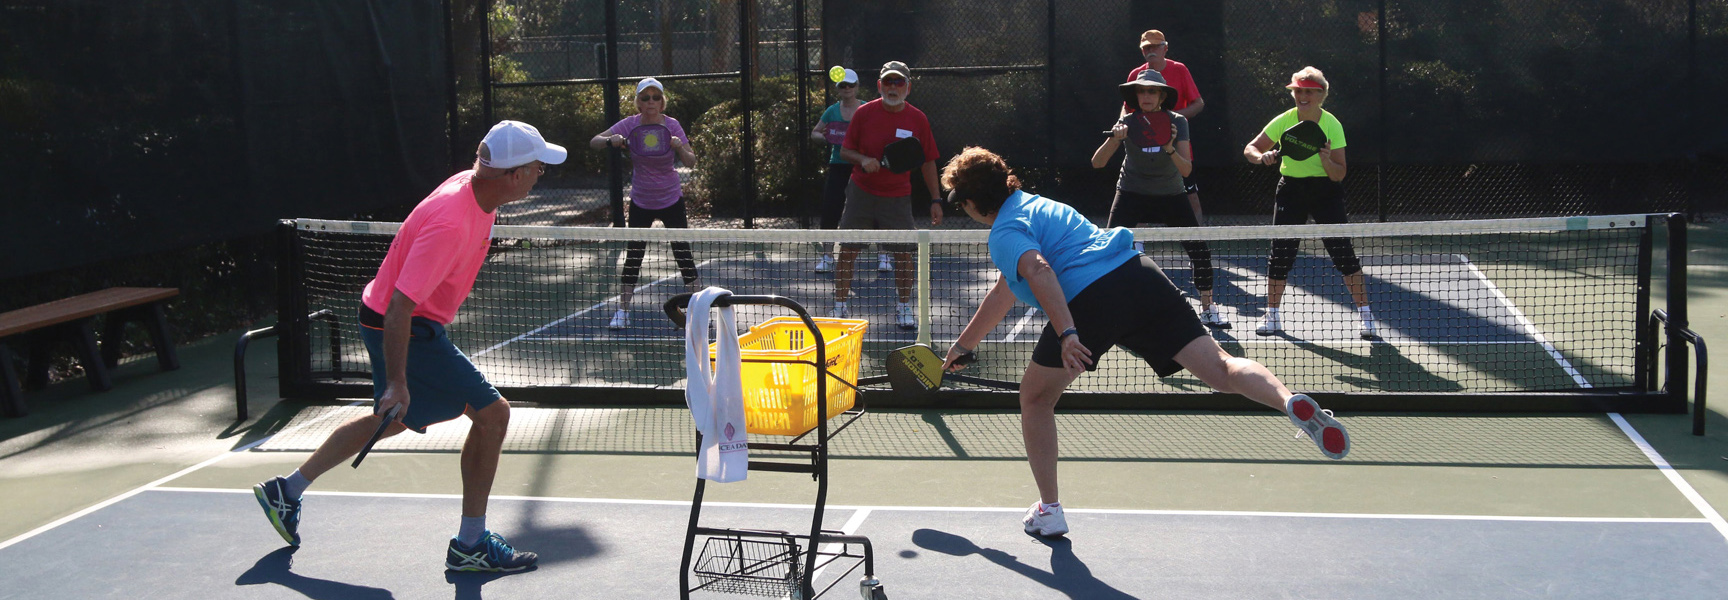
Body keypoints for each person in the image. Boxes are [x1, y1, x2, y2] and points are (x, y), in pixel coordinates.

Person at [938, 146, 1350, 538]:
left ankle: (1049, 511)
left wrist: (1068, 333)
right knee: (1222, 368)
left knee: (1035, 399)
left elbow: (1039, 270)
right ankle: (1289, 401)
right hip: (1139, 274)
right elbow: (1005, 290)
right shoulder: (1038, 205)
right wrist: (962, 346)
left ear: (973, 202)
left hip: (1090, 300)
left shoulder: (1004, 231)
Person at [252, 120, 564, 571]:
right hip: (402, 326)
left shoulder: (476, 187)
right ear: (513, 175)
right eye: (538, 167)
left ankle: (287, 491)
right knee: (493, 415)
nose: (540, 173)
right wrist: (398, 380)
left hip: (397, 321)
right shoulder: (451, 222)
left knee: (393, 421)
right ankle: (470, 544)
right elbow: (401, 308)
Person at [1241, 67, 1376, 339]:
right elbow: (1250, 148)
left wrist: (1326, 160)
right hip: (1291, 189)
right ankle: (1272, 316)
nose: (1303, 96)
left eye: (1309, 92)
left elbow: (1339, 173)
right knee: (1280, 254)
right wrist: (1261, 156)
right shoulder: (1284, 121)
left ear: (1321, 95)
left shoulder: (1332, 125)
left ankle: (1367, 317)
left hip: (1326, 190)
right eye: (1299, 91)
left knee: (1343, 254)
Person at [1093, 69, 1227, 328]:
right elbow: (1097, 163)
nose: (1146, 96)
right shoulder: (1127, 122)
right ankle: (1109, 307)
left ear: (1162, 95)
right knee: (1110, 251)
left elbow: (1186, 169)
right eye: (1141, 91)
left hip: (1171, 194)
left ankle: (1209, 308)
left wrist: (1168, 148)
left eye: (1152, 91)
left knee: (1200, 251)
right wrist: (1115, 139)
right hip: (1131, 192)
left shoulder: (1178, 122)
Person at [833, 60, 944, 330]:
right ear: (880, 85)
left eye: (899, 82)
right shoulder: (863, 113)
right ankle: (839, 306)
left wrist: (936, 199)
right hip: (861, 193)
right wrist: (863, 159)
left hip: (897, 198)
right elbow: (845, 151)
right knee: (847, 251)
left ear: (908, 87)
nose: (893, 87)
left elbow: (928, 161)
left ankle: (904, 307)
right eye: (888, 82)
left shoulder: (917, 118)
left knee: (904, 255)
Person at [592, 77, 701, 329]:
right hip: (641, 200)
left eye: (655, 97)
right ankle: (622, 312)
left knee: (683, 254)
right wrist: (612, 140)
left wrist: (679, 149)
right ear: (638, 102)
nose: (650, 102)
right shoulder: (629, 124)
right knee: (634, 256)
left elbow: (691, 161)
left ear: (662, 102)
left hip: (671, 198)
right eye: (645, 97)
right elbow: (594, 141)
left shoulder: (672, 125)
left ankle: (697, 313)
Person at [808, 68, 891, 275]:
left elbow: (881, 132)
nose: (846, 89)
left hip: (863, 167)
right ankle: (827, 257)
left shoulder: (867, 108)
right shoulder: (832, 111)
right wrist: (825, 138)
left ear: (857, 87)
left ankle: (884, 255)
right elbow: (815, 132)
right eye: (842, 86)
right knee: (831, 210)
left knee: (877, 209)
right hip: (838, 165)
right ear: (838, 89)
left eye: (850, 85)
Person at [1124, 29, 1208, 227]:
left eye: (1155, 46)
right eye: (1146, 48)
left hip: (1175, 147)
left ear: (1165, 48)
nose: (1150, 51)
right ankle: (1138, 249)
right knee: (1138, 200)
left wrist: (1169, 121)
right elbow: (1127, 110)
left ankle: (1197, 244)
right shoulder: (1135, 75)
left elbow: (1198, 103)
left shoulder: (1179, 70)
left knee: (1191, 197)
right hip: (1142, 153)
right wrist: (1121, 125)